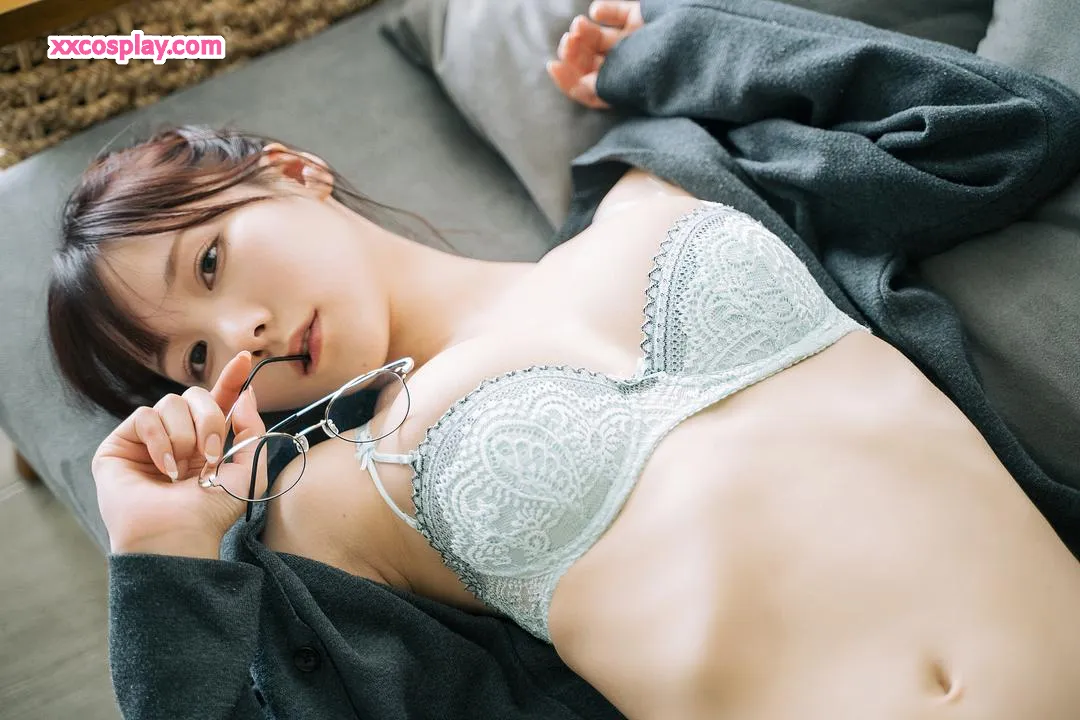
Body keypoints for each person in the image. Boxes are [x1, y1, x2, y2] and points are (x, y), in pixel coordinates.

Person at [46, 1, 1080, 718]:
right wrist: (163, 560)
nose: (243, 336)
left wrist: (670, 55)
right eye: (195, 357)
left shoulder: (660, 182)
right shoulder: (327, 505)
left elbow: (1001, 128)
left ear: (293, 172)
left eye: (211, 262)